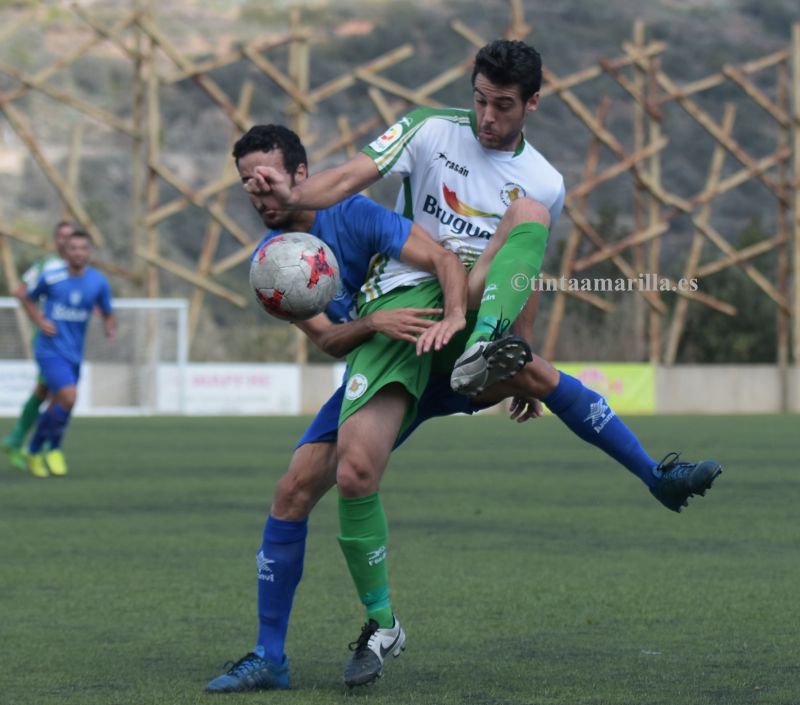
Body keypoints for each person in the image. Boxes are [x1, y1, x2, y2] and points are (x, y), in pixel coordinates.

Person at [244, 39, 723, 689]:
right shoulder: (427, 129)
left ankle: (653, 474)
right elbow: (343, 178)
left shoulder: (546, 182)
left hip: (476, 306)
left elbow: (524, 258)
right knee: (331, 476)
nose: (486, 117)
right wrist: (287, 188)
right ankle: (350, 633)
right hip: (412, 316)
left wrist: (519, 340)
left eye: (501, 106)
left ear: (530, 103)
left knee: (535, 327)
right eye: (479, 100)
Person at [207, 124, 479, 693]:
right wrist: (375, 322)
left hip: (427, 349)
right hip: (370, 364)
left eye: (267, 180)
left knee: (530, 379)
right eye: (247, 185)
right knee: (292, 492)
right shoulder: (272, 259)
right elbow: (330, 340)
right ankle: (270, 657)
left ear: (301, 177)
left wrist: (455, 316)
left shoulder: (354, 214)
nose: (258, 194)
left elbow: (440, 257)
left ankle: (382, 622)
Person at [18, 229, 115, 477]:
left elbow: (106, 309)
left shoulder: (98, 282)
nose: (79, 253)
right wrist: (39, 320)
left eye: (83, 248)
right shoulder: (51, 277)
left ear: (90, 252)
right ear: (65, 251)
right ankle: (42, 448)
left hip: (74, 352)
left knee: (64, 404)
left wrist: (109, 326)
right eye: (73, 248)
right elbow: (27, 297)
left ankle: (39, 449)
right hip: (49, 349)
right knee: (69, 397)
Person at [2, 220, 76, 470]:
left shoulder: (79, 268)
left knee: (46, 391)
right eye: (62, 236)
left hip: (70, 339)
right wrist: (39, 318)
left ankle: (19, 440)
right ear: (56, 241)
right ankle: (43, 446)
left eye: (71, 236)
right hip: (50, 339)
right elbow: (21, 291)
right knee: (58, 391)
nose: (66, 241)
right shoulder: (47, 265)